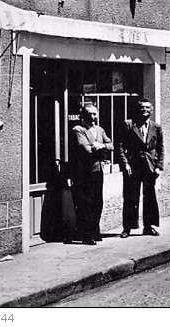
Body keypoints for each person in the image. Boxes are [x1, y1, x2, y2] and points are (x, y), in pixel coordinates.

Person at [118, 98, 165, 238]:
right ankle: (127, 227)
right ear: (137, 110)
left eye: (147, 108)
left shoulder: (156, 127)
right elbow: (120, 146)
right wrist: (125, 163)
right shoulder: (129, 124)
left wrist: (158, 167)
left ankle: (148, 226)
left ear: (151, 110)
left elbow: (160, 148)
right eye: (141, 108)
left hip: (150, 167)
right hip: (133, 167)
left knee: (149, 196)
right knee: (130, 196)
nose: (144, 110)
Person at [69, 103, 113, 245]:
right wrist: (101, 149)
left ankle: (95, 231)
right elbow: (86, 149)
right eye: (89, 114)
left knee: (97, 202)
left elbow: (111, 145)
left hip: (97, 170)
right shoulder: (78, 129)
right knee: (85, 203)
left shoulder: (99, 130)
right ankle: (86, 235)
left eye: (95, 114)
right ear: (83, 115)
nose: (93, 117)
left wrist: (102, 146)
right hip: (83, 172)